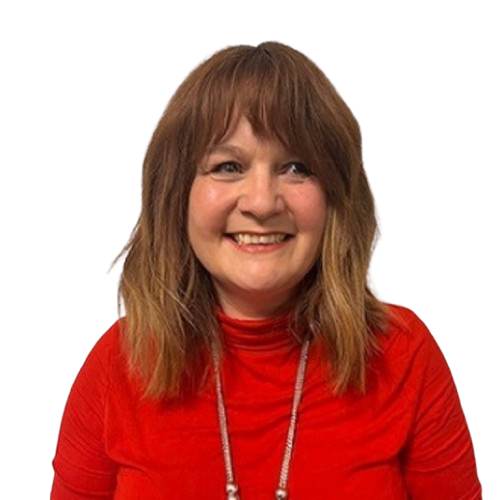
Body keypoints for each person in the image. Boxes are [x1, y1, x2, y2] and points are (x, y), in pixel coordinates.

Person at [50, 40, 482, 499]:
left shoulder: (404, 356)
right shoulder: (116, 365)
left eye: (296, 167)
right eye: (228, 166)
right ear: (177, 194)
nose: (261, 203)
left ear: (335, 196)